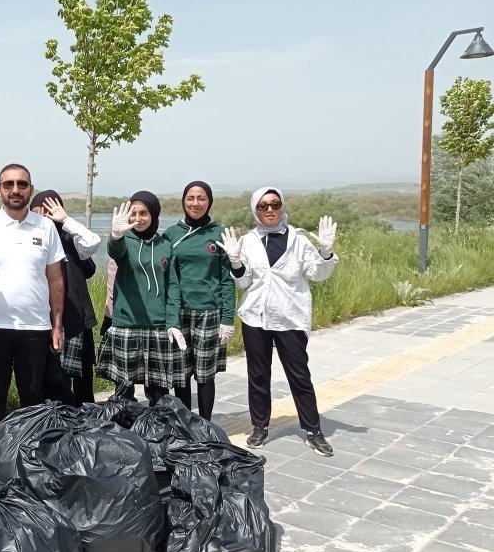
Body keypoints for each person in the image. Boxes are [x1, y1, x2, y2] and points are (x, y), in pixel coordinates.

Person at [219, 186, 338, 456]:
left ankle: (313, 430)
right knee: (258, 375)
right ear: (255, 210)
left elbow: (318, 274)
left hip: (290, 316)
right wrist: (235, 261)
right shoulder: (249, 241)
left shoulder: (298, 240)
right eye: (263, 206)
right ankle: (260, 426)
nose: (270, 210)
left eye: (274, 204)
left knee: (299, 376)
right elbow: (244, 282)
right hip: (255, 317)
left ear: (282, 207)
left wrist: (326, 252)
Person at [0, 164, 65, 450]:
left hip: (35, 326)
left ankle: (32, 452)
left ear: (31, 188)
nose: (15, 190)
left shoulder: (46, 228)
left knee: (33, 393)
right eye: (9, 184)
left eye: (22, 184)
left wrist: (57, 325)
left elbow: (55, 280)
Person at [97, 191, 185, 405]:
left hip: (157, 326)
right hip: (127, 324)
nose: (138, 218)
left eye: (143, 213)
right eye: (133, 213)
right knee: (124, 390)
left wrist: (173, 322)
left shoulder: (165, 245)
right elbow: (115, 252)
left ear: (154, 214)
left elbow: (173, 287)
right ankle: (124, 433)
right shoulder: (125, 240)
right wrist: (115, 236)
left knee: (159, 390)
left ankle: (159, 431)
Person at [163, 181, 235, 420]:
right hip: (178, 311)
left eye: (201, 198)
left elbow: (226, 279)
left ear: (209, 202)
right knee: (181, 374)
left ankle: (205, 424)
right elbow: (164, 277)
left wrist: (227, 318)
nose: (195, 203)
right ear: (183, 201)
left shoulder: (218, 233)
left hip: (209, 313)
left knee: (205, 374)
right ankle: (186, 423)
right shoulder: (172, 234)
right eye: (190, 198)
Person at [29, 190, 101, 404]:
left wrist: (66, 219)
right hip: (43, 321)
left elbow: (93, 241)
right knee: (51, 379)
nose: (45, 217)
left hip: (76, 320)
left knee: (82, 379)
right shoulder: (30, 240)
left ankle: (85, 425)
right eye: (38, 212)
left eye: (50, 212)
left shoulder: (71, 239)